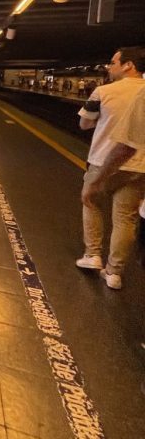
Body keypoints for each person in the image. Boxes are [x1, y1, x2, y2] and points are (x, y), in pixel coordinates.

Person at [75, 46, 145, 289]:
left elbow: (84, 124)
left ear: (129, 65)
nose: (109, 66)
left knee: (90, 201)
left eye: (114, 62)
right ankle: (114, 273)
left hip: (104, 160)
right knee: (125, 218)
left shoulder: (103, 91)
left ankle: (93, 254)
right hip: (140, 167)